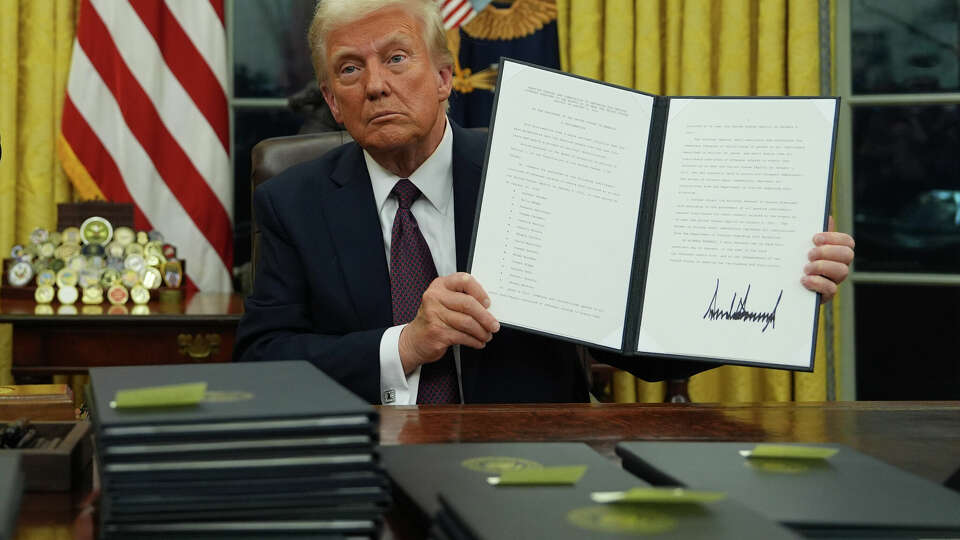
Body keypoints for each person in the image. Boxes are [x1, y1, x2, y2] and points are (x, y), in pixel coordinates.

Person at [234, 0, 856, 405]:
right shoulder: (293, 201)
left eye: (397, 59)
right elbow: (263, 362)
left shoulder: (539, 168)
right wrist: (405, 344)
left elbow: (637, 343)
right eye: (349, 71)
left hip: (539, 461)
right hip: (368, 460)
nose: (375, 84)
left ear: (446, 77)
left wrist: (782, 285)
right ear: (333, 102)